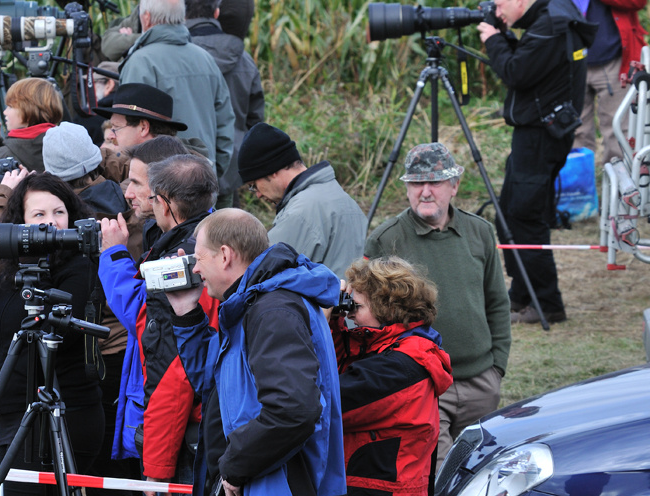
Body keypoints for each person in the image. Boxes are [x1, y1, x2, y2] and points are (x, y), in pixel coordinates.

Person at [167, 209, 347, 496]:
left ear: (225, 255)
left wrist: (236, 467)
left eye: (199, 259)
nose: (196, 270)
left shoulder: (273, 311)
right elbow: (215, 387)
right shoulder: (251, 303)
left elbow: (294, 410)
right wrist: (185, 311)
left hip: (275, 484)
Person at [0, 173, 103, 495]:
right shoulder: (9, 269)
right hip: (13, 410)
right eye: (39, 215)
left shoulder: (79, 266)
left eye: (59, 212)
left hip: (64, 412)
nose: (52, 223)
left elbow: (52, 336)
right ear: (21, 222)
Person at [364, 142, 511, 469]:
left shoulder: (480, 231)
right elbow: (372, 320)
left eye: (435, 183)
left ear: (454, 186)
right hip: (425, 385)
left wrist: (497, 367)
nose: (425, 192)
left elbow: (497, 302)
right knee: (441, 475)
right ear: (406, 189)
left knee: (484, 472)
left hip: (481, 381)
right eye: (417, 183)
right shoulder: (386, 239)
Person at [478, 0, 596, 324]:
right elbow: (530, 64)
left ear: (519, 0)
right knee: (508, 213)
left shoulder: (549, 27)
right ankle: (521, 292)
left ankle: (547, 304)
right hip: (539, 133)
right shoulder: (551, 17)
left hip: (541, 136)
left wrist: (494, 40)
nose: (497, 12)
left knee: (525, 218)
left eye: (500, 5)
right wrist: (504, 37)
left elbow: (516, 72)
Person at [98, 152, 221, 487]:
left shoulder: (181, 265)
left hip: (183, 437)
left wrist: (113, 256)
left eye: (142, 187)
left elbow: (170, 371)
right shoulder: (214, 244)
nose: (132, 193)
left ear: (165, 204)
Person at [329, 257, 453, 495]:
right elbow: (338, 362)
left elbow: (326, 401)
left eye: (357, 306)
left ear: (388, 308)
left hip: (382, 489)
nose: (350, 313)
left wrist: (320, 322)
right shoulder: (388, 347)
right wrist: (334, 322)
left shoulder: (402, 366)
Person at [536, 0, 648, 164]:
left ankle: (620, 195)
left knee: (618, 130)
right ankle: (579, 193)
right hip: (569, 61)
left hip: (611, 60)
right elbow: (537, 0)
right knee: (575, 130)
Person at [119, 0, 236, 180]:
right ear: (181, 17)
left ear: (146, 17)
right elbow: (225, 124)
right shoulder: (205, 59)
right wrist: (212, 171)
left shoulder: (140, 62)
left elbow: (129, 131)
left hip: (159, 186)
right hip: (202, 178)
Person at [237, 122, 365, 277]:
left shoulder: (300, 213)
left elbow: (263, 277)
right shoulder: (343, 198)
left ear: (271, 171)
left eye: (254, 185)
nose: (257, 194)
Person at [182, 0, 265, 204]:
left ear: (181, 13)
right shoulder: (244, 60)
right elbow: (255, 121)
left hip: (182, 171)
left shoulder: (173, 60)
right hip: (230, 170)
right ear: (216, 12)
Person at [0, 77, 63, 172]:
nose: (4, 112)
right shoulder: (64, 144)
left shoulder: (5, 155)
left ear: (28, 111)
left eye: (10, 107)